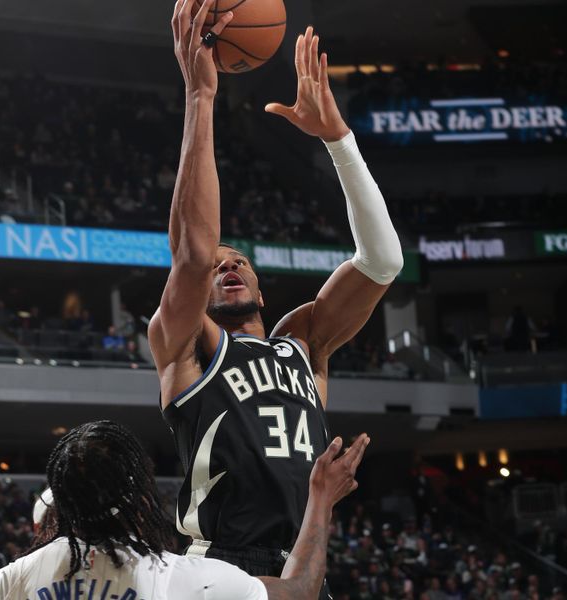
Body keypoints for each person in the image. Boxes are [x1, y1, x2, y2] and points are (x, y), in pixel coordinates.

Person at [148, 1, 403, 596]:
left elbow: (383, 261)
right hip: (220, 564)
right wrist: (201, 98)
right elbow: (191, 252)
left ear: (260, 284)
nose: (228, 264)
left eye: (239, 261)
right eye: (218, 267)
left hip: (305, 559)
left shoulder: (304, 344)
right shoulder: (186, 344)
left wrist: (338, 138)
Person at [0, 420, 369, 600]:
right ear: (141, 495)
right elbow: (300, 593)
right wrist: (320, 501)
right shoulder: (183, 579)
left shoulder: (9, 581)